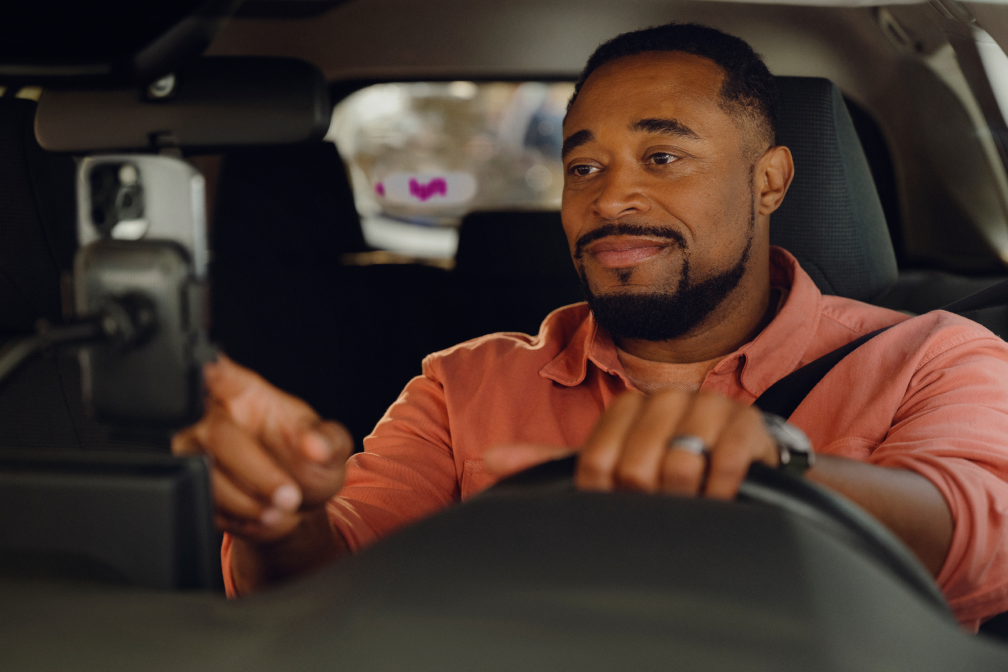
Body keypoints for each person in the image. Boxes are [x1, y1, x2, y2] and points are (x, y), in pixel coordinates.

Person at [173, 23, 1008, 629]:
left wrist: (774, 469)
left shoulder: (933, 356)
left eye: (663, 157)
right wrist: (283, 519)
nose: (610, 199)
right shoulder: (463, 384)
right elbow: (331, 583)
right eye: (583, 166)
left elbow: (979, 537)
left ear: (769, 182)